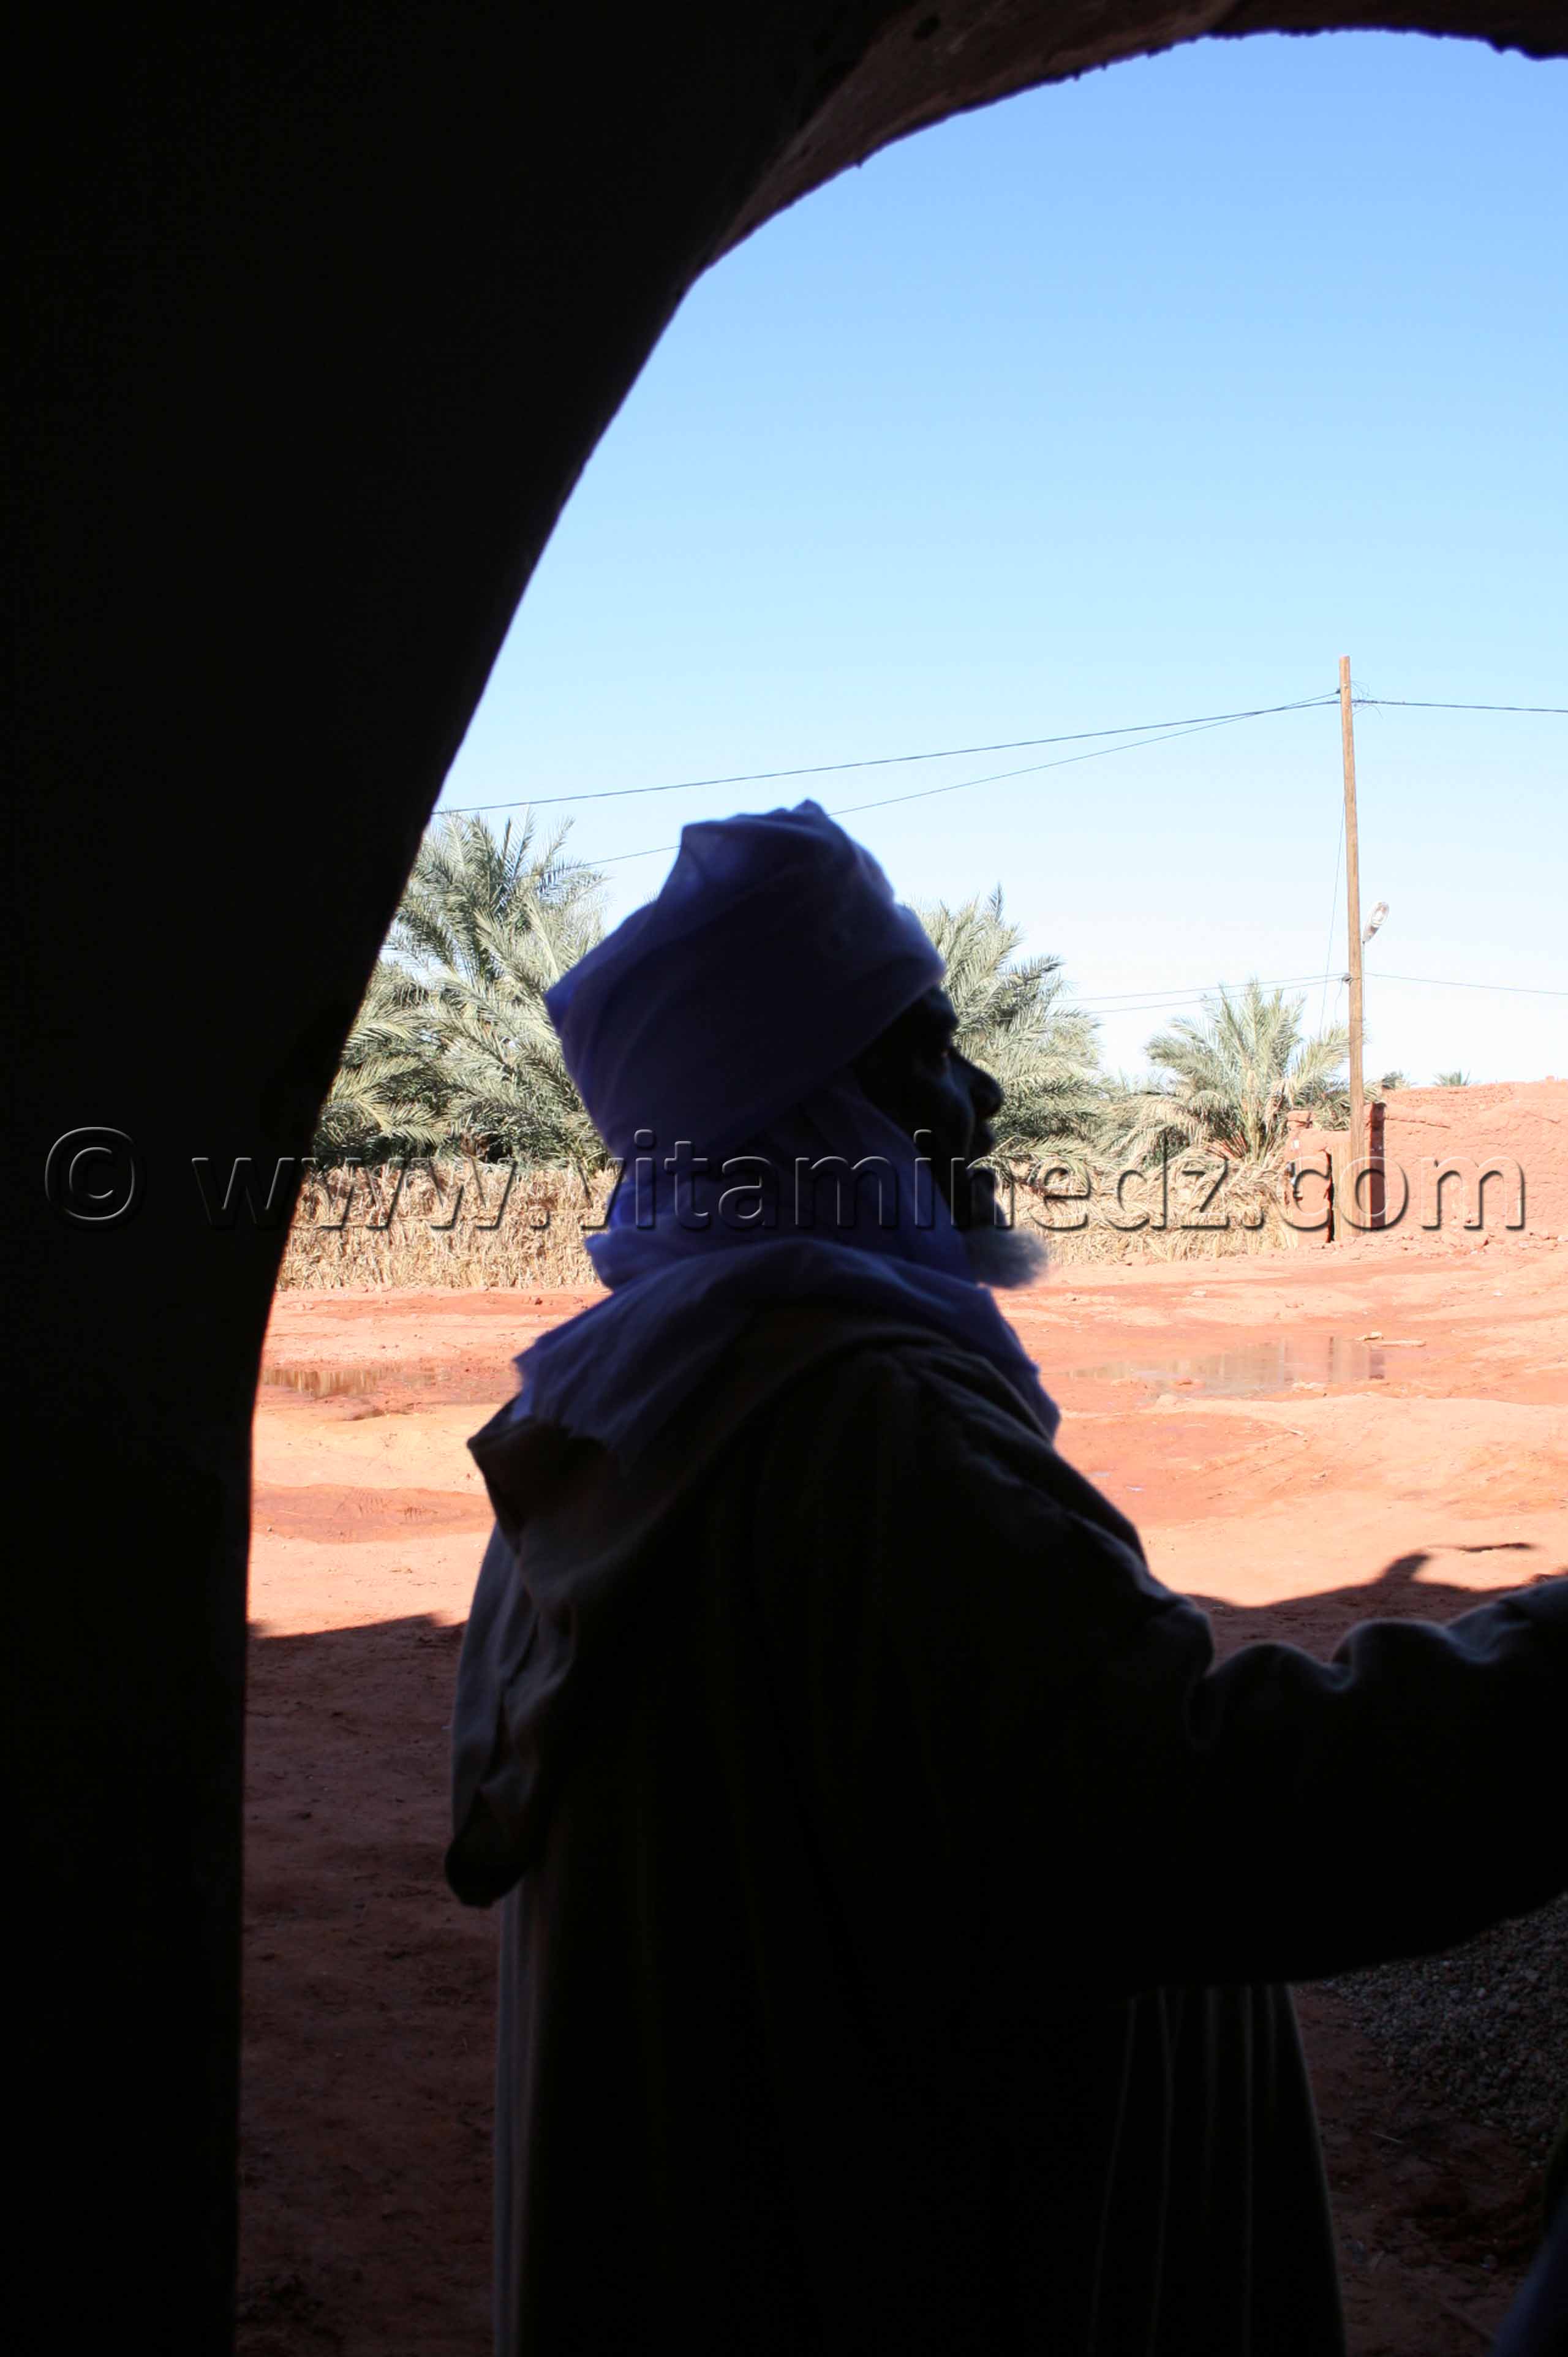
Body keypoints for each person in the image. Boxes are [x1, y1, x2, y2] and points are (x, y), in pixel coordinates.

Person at [447, 802, 1566, 2356]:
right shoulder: (861, 1421)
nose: (978, 1096)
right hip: (907, 2257)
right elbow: (1191, 1822)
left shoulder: (620, 1401)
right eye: (926, 1050)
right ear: (813, 1101)